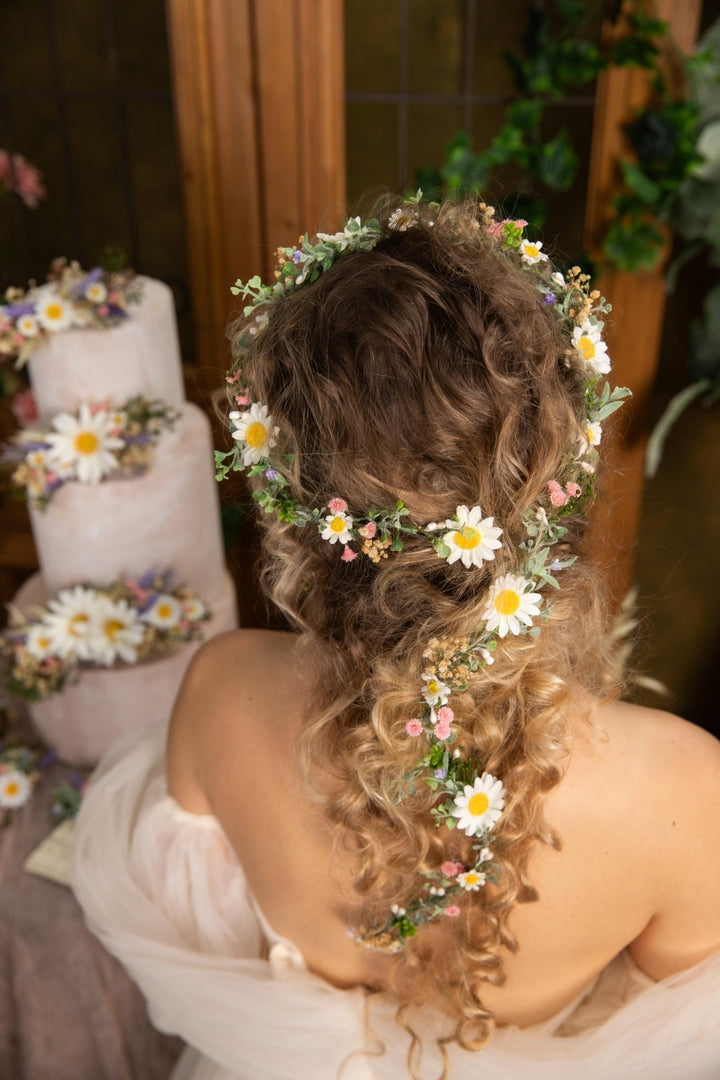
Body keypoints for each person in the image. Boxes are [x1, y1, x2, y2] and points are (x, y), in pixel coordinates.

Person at [73, 198, 720, 1080]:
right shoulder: (684, 791)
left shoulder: (220, 691)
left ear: (297, 503)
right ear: (560, 466)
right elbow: (665, 1042)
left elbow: (212, 947)